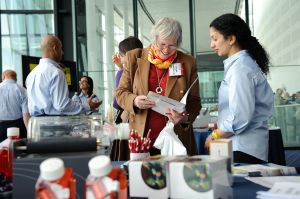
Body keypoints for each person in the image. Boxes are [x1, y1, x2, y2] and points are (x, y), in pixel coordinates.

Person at [115, 17, 201, 155]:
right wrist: (134, 100)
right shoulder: (134, 57)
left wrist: (184, 117)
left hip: (174, 140)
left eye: (172, 45)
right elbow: (120, 93)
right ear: (154, 39)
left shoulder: (188, 62)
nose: (166, 50)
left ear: (178, 43)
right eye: (162, 44)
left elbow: (195, 102)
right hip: (142, 140)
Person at [205, 13, 274, 164]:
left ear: (231, 39)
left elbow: (241, 117)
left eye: (215, 38)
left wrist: (215, 136)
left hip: (243, 148)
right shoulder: (240, 65)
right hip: (244, 147)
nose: (212, 45)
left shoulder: (240, 69)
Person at [26, 35, 100, 116]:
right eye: (61, 48)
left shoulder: (31, 74)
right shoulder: (56, 73)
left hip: (35, 124)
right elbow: (62, 105)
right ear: (55, 48)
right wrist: (87, 106)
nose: (62, 52)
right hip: (53, 124)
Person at [112, 36, 143, 123]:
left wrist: (121, 70)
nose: (121, 60)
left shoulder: (123, 73)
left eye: (121, 56)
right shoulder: (147, 68)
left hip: (132, 120)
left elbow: (116, 103)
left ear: (126, 54)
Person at [0, 70, 30, 142]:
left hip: (0, 126)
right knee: (18, 150)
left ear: (3, 77)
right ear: (15, 78)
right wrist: (29, 133)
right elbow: (25, 114)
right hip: (17, 126)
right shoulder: (22, 90)